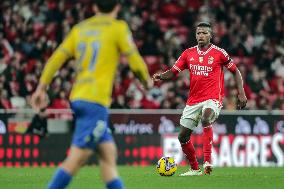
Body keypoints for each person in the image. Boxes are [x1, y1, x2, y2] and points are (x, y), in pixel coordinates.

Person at [31, 0, 151, 188]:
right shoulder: (118, 28)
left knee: (108, 154)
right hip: (95, 101)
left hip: (79, 96)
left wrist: (41, 87)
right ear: (118, 7)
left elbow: (56, 58)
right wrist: (146, 80)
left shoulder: (80, 29)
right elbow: (134, 59)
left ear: (94, 7)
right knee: (77, 158)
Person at [153, 22, 247, 176]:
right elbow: (174, 71)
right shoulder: (188, 53)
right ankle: (195, 169)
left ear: (210, 35)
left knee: (206, 118)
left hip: (213, 98)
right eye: (198, 33)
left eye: (204, 33)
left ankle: (208, 162)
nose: (201, 36)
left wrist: (241, 93)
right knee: (182, 136)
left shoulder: (219, 53)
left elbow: (235, 71)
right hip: (193, 100)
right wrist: (161, 76)